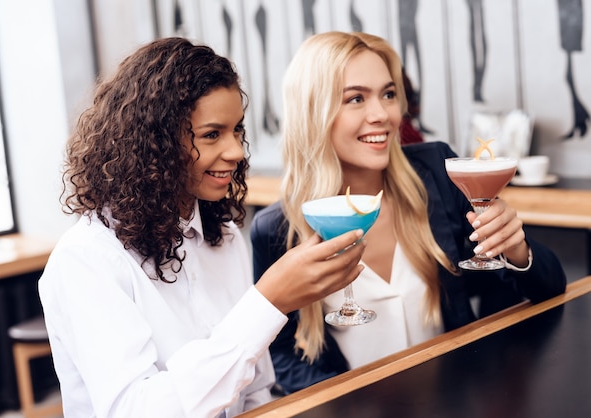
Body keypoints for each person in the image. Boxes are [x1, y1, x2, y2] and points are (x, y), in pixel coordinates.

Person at [38, 37, 366, 417]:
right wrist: (268, 303)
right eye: (212, 134)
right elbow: (135, 410)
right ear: (154, 143)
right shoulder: (87, 259)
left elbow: (256, 391)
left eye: (237, 130)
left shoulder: (223, 236)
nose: (237, 151)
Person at [250, 31, 567, 395]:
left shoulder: (436, 171)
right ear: (313, 113)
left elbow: (551, 285)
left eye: (388, 94)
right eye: (355, 98)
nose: (382, 114)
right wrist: (345, 403)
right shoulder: (277, 228)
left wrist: (516, 251)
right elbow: (279, 354)